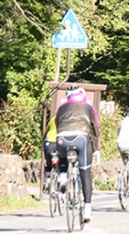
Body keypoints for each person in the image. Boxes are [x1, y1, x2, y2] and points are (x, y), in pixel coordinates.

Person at [55, 85, 100, 223]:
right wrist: (96, 146)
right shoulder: (88, 107)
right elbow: (95, 127)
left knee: (62, 158)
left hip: (62, 137)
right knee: (85, 173)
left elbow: (57, 124)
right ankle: (87, 209)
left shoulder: (61, 108)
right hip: (81, 138)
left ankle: (62, 176)